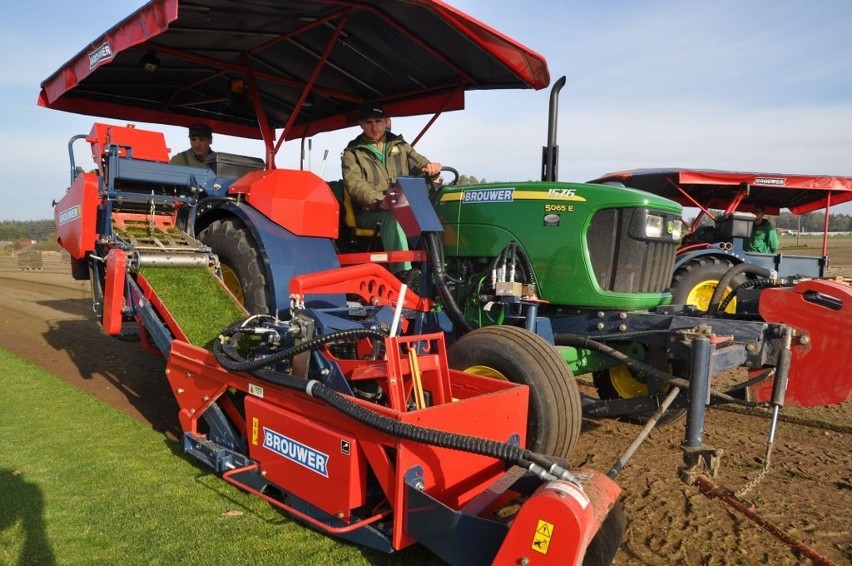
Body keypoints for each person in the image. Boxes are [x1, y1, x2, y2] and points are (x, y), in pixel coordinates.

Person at [341, 104, 442, 273]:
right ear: (361, 124)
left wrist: (432, 169)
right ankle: (403, 274)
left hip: (403, 206)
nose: (374, 127)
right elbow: (355, 185)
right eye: (369, 122)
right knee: (394, 216)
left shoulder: (400, 146)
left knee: (433, 214)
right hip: (370, 212)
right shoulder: (352, 153)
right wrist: (380, 201)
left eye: (378, 121)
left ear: (386, 121)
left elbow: (422, 165)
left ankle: (437, 270)